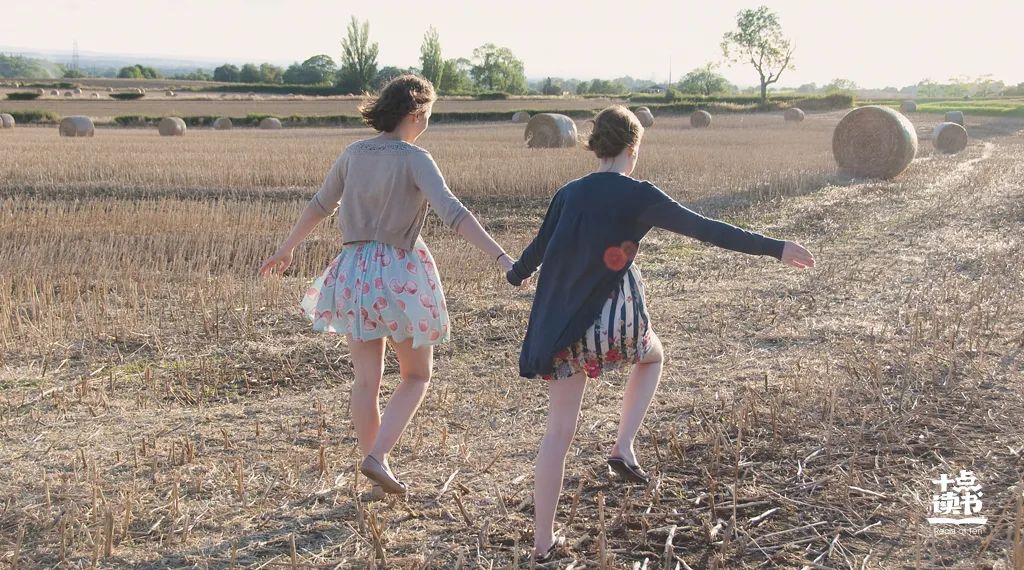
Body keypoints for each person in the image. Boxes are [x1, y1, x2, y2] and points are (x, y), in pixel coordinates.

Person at [505, 105, 816, 562]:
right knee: (653, 357)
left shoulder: (568, 193)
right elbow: (707, 230)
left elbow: (538, 248)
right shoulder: (640, 195)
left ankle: (542, 543)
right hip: (613, 321)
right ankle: (623, 444)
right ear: (633, 149)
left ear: (596, 146)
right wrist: (776, 247)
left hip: (562, 325)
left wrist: (515, 274)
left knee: (558, 433)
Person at [259, 75, 515, 496]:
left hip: (352, 274)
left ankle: (377, 478)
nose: (427, 123)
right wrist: (501, 256)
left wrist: (286, 248)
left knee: (366, 382)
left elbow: (320, 205)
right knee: (417, 375)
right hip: (399, 276)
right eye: (428, 115)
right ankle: (377, 457)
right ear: (415, 113)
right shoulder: (416, 158)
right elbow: (453, 212)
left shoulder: (353, 154)